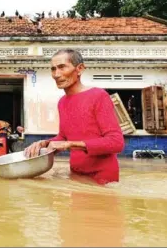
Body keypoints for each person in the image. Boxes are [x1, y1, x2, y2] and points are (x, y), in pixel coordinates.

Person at [24, 49, 125, 185]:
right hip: (76, 175)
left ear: (80, 69)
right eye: (53, 69)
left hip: (103, 178)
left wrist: (70, 144)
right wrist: (44, 143)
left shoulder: (99, 96)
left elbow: (116, 142)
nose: (56, 74)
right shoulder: (62, 102)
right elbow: (64, 137)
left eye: (62, 67)